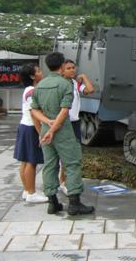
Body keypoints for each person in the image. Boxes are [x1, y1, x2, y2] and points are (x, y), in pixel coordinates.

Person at [30, 52, 95, 216]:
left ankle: (52, 203)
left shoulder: (41, 85)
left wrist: (47, 124)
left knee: (49, 165)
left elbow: (34, 110)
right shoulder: (66, 84)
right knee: (72, 164)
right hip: (63, 130)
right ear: (61, 66)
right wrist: (53, 128)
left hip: (46, 129)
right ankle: (74, 204)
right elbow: (65, 111)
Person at [59, 59, 94, 196]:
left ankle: (65, 180)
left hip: (75, 122)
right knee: (63, 154)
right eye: (68, 68)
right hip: (64, 122)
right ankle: (62, 181)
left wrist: (84, 77)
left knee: (72, 154)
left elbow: (90, 90)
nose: (72, 70)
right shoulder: (60, 84)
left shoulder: (75, 83)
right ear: (62, 70)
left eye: (73, 68)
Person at [13, 63, 48, 203]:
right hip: (31, 127)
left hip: (25, 126)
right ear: (33, 76)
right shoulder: (32, 91)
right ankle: (32, 193)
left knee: (25, 161)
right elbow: (34, 114)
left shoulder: (29, 89)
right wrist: (41, 133)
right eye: (38, 71)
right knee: (31, 162)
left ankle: (27, 190)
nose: (41, 72)